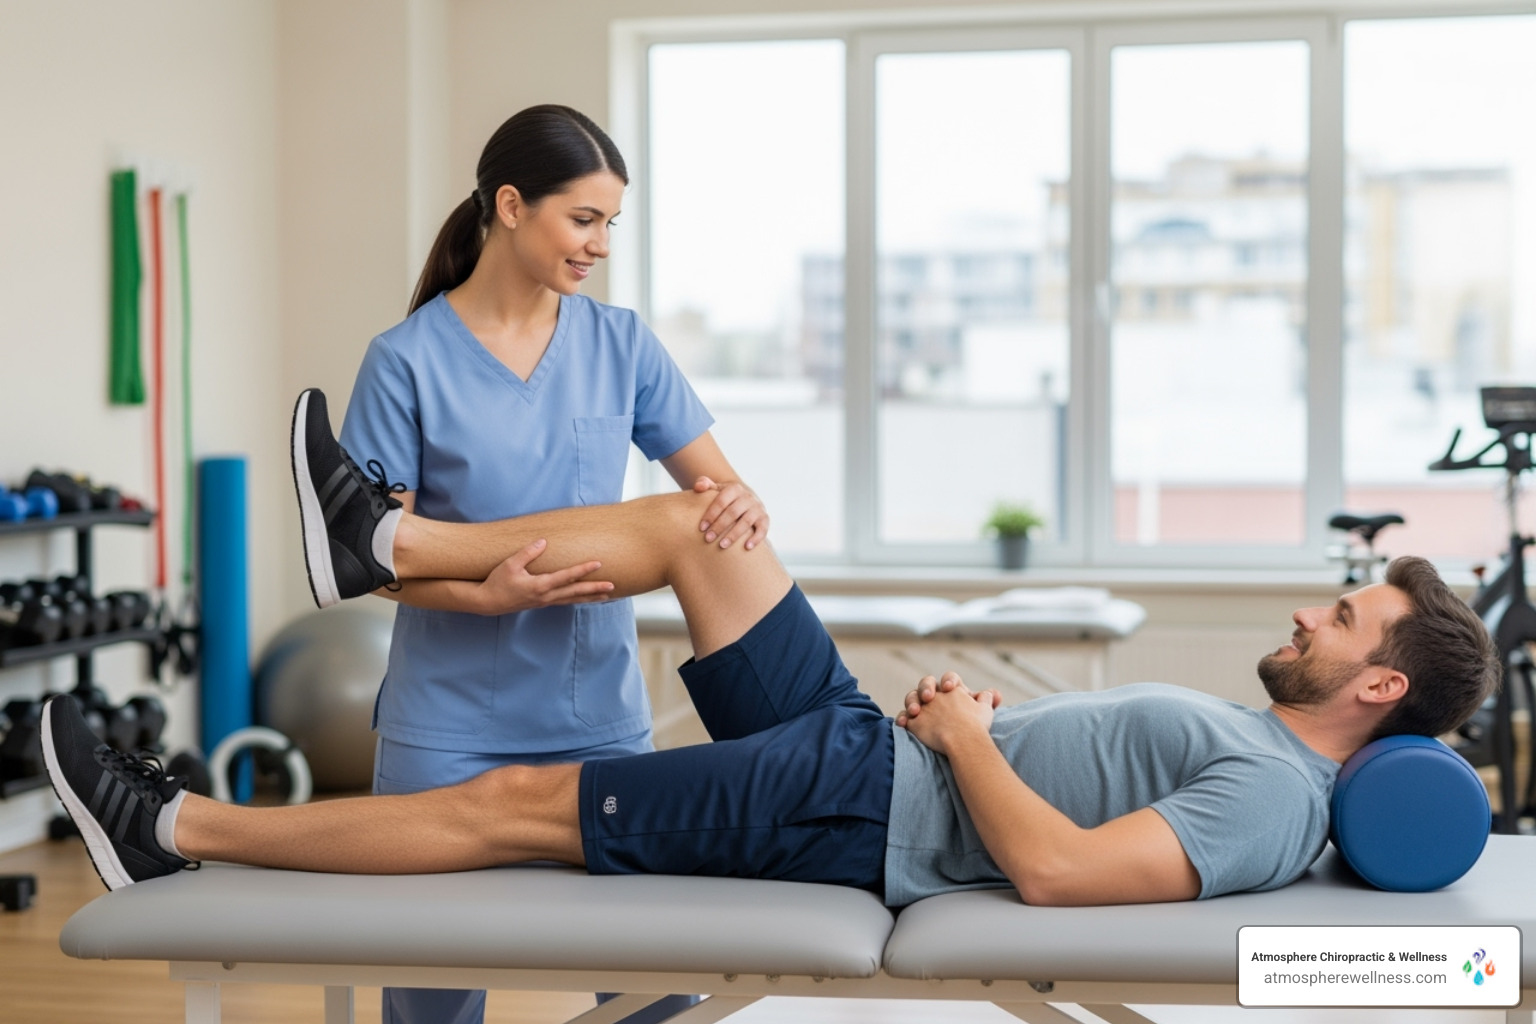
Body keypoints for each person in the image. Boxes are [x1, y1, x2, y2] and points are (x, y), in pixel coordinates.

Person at [44, 400, 1500, 912]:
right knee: (703, 521)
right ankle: (393, 549)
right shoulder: (1275, 760)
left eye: (1346, 621)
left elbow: (1055, 875)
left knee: (519, 804)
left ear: (1379, 689)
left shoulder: (1270, 799)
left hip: (863, 810)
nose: (1316, 615)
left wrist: (968, 738)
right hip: (874, 749)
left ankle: (172, 828)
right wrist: (957, 726)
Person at [320, 104, 766, 1024]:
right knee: (431, 996)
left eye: (611, 223)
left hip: (596, 719)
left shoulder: (622, 344)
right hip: (445, 727)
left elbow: (712, 492)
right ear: (512, 206)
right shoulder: (404, 362)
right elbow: (374, 561)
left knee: (653, 985)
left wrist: (738, 502)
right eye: (584, 219)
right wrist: (487, 598)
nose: (600, 243)